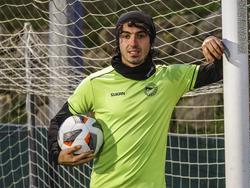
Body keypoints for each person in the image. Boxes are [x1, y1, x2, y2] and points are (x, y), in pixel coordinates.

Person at [48, 11, 224, 188]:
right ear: (119, 40)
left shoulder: (170, 78)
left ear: (151, 40)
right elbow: (58, 120)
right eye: (126, 36)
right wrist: (57, 154)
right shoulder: (94, 83)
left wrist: (212, 42)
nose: (133, 43)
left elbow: (219, 70)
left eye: (140, 36)